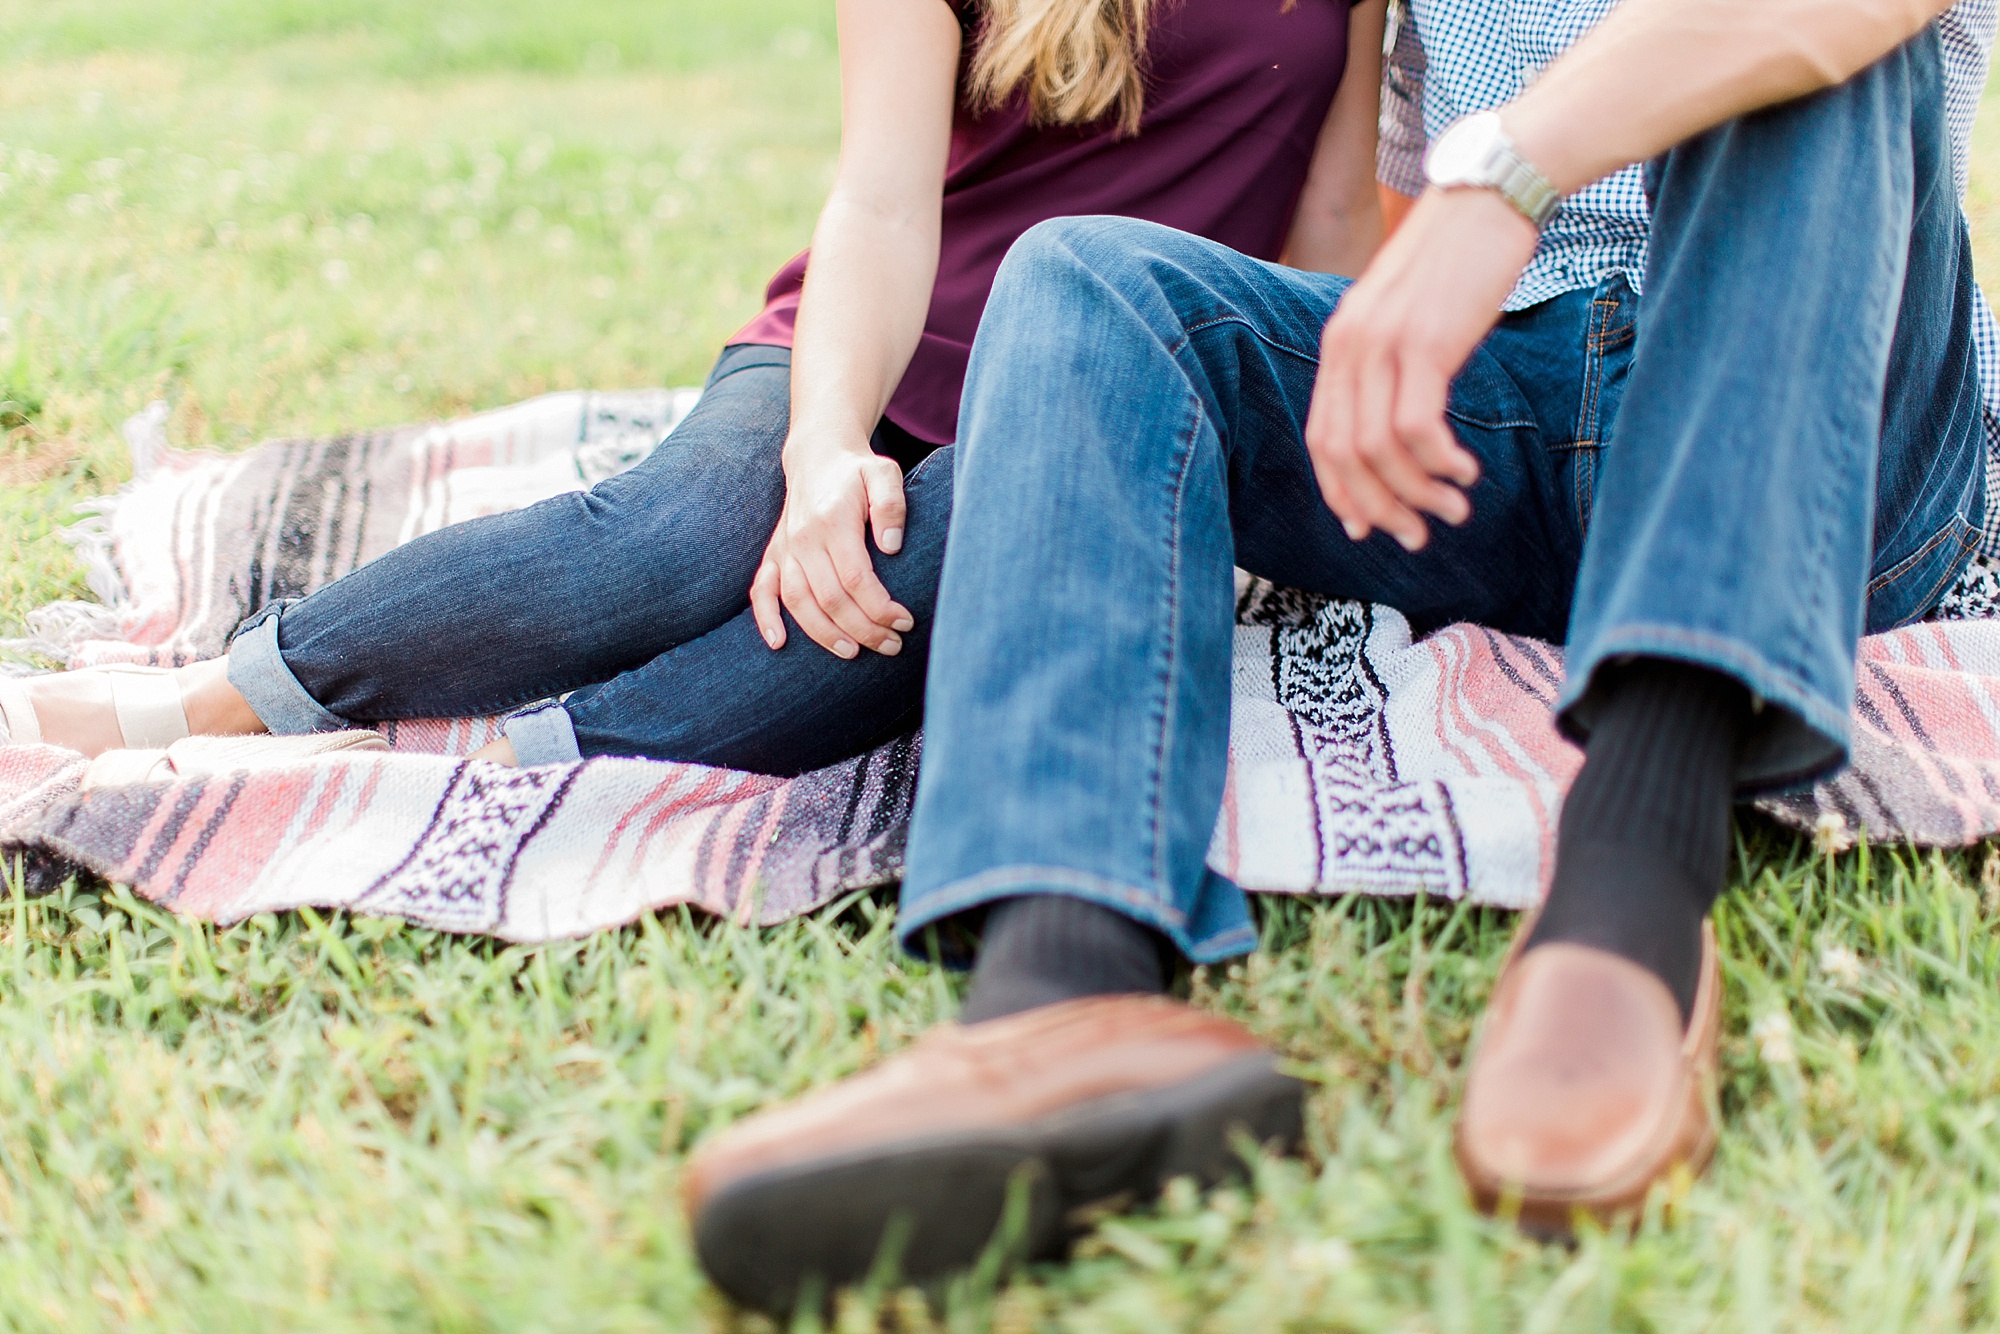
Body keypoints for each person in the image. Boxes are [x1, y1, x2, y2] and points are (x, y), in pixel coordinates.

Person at [683, 0, 1998, 1308]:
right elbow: (1378, 201)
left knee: (1818, 52)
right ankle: (1061, 989)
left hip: (1836, 424)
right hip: (1538, 391)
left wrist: (1504, 176)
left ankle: (1635, 867)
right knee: (1088, 281)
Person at [0, 0, 1388, 781]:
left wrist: (1298, 460)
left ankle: (495, 765)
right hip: (873, 334)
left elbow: (1327, 220)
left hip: (1098, 391)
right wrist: (831, 441)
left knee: (859, 635)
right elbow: (884, 202)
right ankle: (204, 709)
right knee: (686, 532)